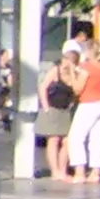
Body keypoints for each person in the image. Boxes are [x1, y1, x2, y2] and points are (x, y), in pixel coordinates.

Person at [67, 40, 100, 182]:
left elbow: (77, 89)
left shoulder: (86, 67)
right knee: (97, 138)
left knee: (75, 138)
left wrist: (72, 71)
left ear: (88, 52)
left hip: (88, 104)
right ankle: (96, 173)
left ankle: (79, 173)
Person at [38, 47, 78, 178]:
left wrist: (72, 71)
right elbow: (43, 86)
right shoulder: (55, 71)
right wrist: (46, 106)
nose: (66, 63)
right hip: (53, 108)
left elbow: (75, 88)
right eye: (65, 59)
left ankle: (62, 169)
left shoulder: (74, 74)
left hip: (65, 110)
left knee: (66, 141)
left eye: (69, 60)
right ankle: (55, 171)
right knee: (53, 139)